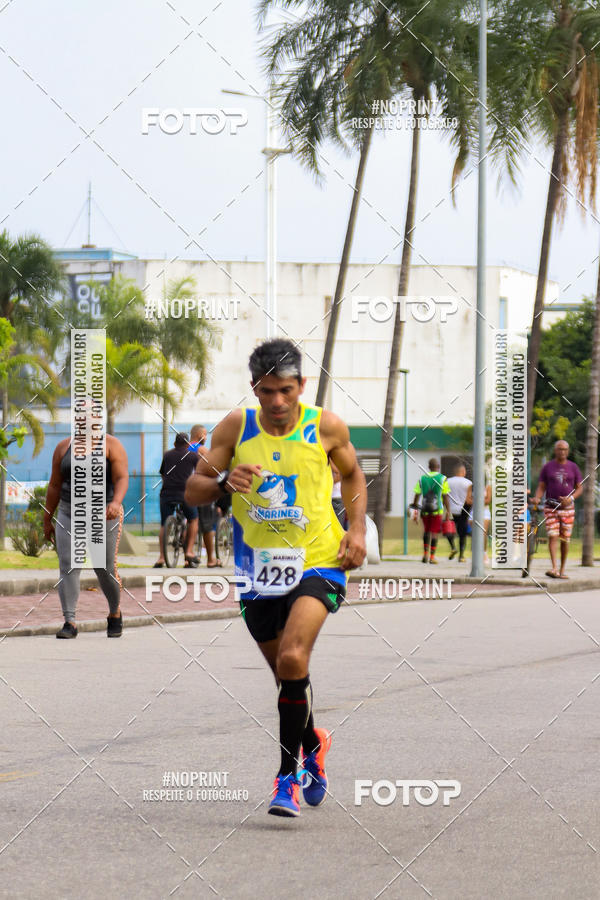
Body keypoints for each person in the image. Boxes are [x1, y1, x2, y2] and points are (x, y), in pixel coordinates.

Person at [185, 338, 367, 817]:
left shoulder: (325, 426)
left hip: (320, 560)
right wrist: (224, 482)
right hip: (258, 570)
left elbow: (353, 475)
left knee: (292, 656)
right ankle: (314, 742)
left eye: (287, 390)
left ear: (301, 386)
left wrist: (356, 529)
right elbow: (193, 490)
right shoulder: (235, 427)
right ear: (255, 388)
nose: (278, 402)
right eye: (268, 391)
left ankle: (286, 777)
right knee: (288, 675)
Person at [43, 433, 129, 639]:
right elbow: (54, 484)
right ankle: (69, 622)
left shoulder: (111, 445)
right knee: (69, 565)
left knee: (104, 568)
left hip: (103, 514)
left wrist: (116, 503)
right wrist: (47, 518)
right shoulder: (64, 447)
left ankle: (114, 612)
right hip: (69, 512)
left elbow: (121, 477)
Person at [534, 440, 583, 579]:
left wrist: (571, 499)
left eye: (565, 449)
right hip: (551, 507)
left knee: (565, 539)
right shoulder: (547, 467)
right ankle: (554, 568)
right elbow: (541, 486)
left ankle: (562, 570)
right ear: (555, 450)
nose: (562, 451)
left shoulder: (573, 467)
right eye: (559, 449)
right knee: (553, 535)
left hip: (568, 508)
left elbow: (580, 487)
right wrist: (537, 498)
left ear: (568, 451)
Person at [154, 433, 200, 568]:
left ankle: (161, 557)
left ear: (174, 444)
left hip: (167, 493)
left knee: (164, 524)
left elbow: (163, 473)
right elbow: (198, 474)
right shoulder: (192, 456)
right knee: (193, 519)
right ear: (188, 445)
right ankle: (190, 552)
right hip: (186, 494)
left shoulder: (167, 455)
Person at [189, 424, 221, 567]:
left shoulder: (183, 448)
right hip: (201, 490)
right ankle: (210, 560)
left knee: (190, 522)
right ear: (199, 435)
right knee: (207, 525)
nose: (206, 437)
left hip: (185, 490)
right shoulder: (201, 450)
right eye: (205, 434)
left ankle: (187, 557)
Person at [411, 459, 451, 564]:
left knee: (426, 531)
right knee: (434, 533)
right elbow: (445, 496)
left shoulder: (422, 478)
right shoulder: (443, 478)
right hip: (437, 511)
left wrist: (415, 507)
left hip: (425, 510)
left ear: (429, 466)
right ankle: (432, 557)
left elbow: (417, 494)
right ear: (438, 466)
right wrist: (448, 511)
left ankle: (425, 554)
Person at [446, 464, 472, 562]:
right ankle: (461, 556)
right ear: (463, 471)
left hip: (451, 510)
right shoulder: (468, 483)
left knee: (449, 530)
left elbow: (444, 496)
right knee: (462, 534)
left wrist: (447, 510)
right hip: (463, 510)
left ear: (455, 472)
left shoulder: (448, 481)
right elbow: (469, 499)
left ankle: (453, 547)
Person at [330, 460, 347, 529]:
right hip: (327, 498)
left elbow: (338, 474)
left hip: (335, 499)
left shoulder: (331, 459)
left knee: (337, 528)